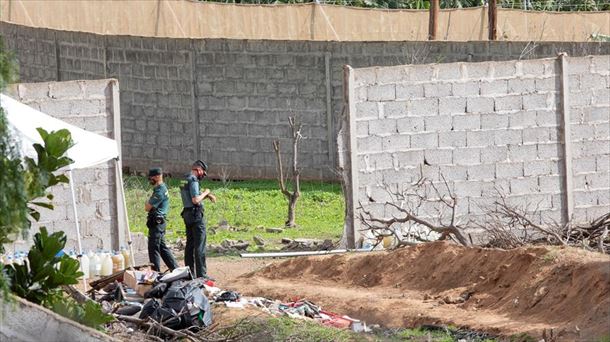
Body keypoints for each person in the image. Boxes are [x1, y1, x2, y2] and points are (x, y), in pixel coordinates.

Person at [180, 160, 216, 278]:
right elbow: (195, 200)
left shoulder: (184, 179)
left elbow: (190, 197)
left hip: (187, 214)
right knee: (199, 246)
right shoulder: (193, 179)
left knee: (189, 245)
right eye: (203, 173)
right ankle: (202, 276)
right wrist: (206, 192)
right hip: (196, 216)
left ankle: (189, 274)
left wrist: (206, 196)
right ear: (199, 170)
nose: (202, 176)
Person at [145, 167, 179, 272]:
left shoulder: (160, 190)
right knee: (162, 248)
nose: (150, 179)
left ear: (158, 176)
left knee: (153, 248)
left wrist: (147, 203)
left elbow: (147, 207)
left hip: (157, 223)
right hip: (158, 223)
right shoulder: (160, 188)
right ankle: (176, 269)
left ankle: (156, 273)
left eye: (151, 177)